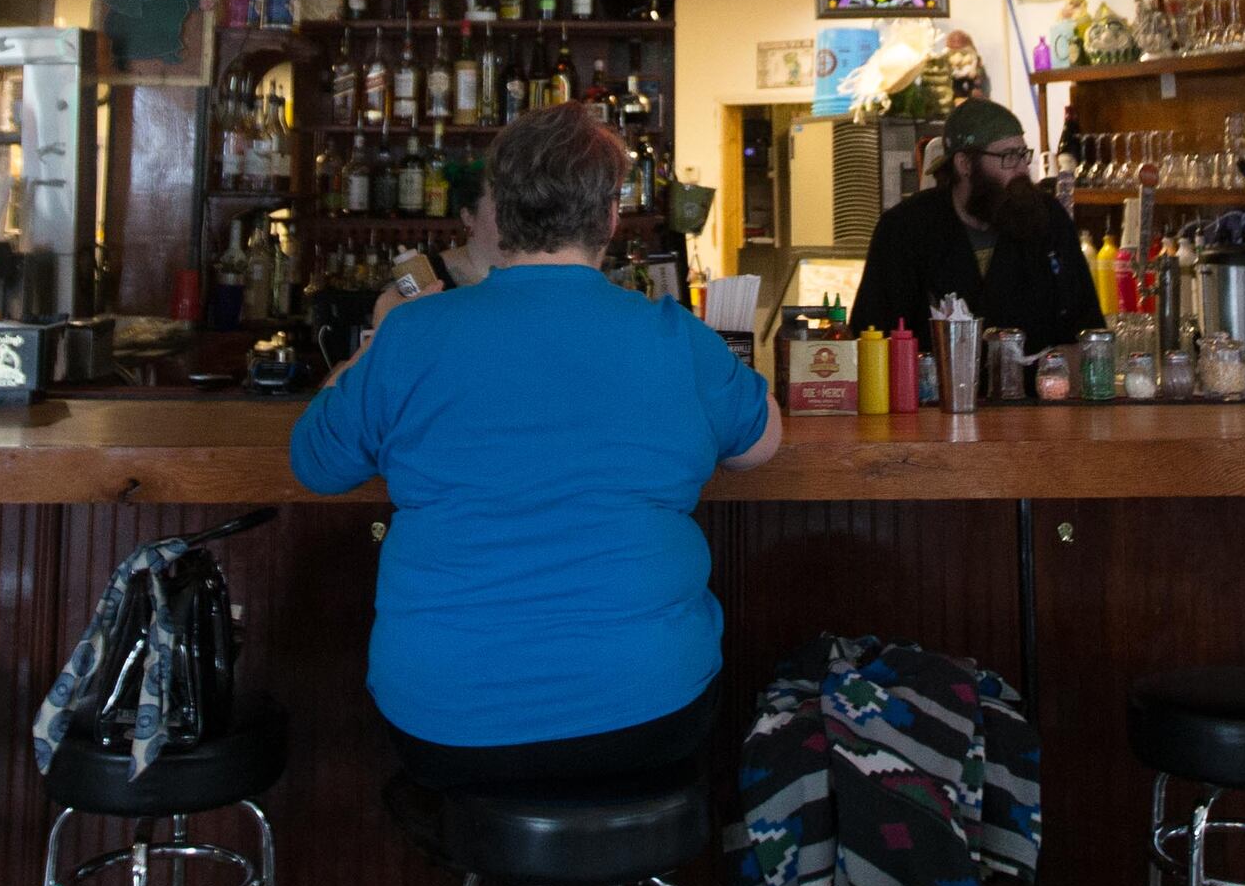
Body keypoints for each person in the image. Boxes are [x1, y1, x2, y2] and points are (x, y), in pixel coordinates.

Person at [292, 104, 780, 786]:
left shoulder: (413, 335)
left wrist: (376, 339)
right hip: (648, 710)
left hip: (447, 719)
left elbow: (316, 464)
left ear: (497, 208)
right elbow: (761, 445)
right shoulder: (673, 335)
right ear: (611, 216)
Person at [845, 98, 1106, 354]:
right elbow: (869, 340)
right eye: (1008, 157)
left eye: (1023, 155)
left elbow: (1090, 333)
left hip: (1036, 393)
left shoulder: (1047, 218)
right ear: (965, 164)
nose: (1022, 170)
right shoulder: (905, 229)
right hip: (935, 396)